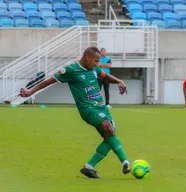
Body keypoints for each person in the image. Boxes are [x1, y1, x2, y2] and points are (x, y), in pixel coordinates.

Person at [19, 46, 130, 178]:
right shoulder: (71, 70)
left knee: (109, 137)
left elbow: (105, 77)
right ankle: (125, 163)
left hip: (101, 107)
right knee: (109, 129)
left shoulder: (94, 68)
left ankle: (89, 167)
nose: (97, 64)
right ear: (87, 57)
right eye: (95, 61)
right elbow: (49, 81)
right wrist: (30, 91)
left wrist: (119, 81)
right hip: (88, 109)